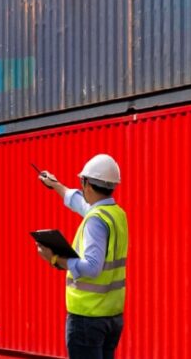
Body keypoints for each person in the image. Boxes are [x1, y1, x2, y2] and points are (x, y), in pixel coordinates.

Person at [37, 154, 128, 359]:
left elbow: (92, 267)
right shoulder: (115, 213)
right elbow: (83, 205)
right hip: (111, 316)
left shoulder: (96, 220)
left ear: (86, 183)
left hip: (88, 317)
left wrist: (55, 259)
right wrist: (56, 185)